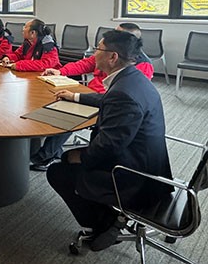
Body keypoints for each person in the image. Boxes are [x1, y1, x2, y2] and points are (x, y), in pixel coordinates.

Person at [46, 30, 172, 252]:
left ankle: (104, 224)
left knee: (58, 170)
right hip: (149, 164)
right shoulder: (132, 79)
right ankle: (107, 216)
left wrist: (80, 156)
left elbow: (109, 146)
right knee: (67, 159)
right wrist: (75, 96)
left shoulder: (124, 94)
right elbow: (108, 99)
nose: (93, 53)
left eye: (98, 49)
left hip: (135, 178)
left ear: (113, 57)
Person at [30, 23, 154, 170]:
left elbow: (119, 100)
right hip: (90, 93)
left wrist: (77, 96)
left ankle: (45, 156)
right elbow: (86, 63)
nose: (111, 36)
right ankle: (51, 149)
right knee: (54, 97)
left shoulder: (140, 68)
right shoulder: (112, 57)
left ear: (128, 41)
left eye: (117, 34)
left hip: (104, 102)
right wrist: (61, 72)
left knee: (68, 113)